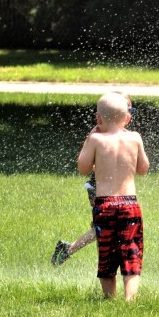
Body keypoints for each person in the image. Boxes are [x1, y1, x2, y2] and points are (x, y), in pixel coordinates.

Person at [77, 92, 150, 301]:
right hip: (130, 205)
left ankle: (109, 298)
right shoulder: (135, 138)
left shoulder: (96, 139)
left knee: (107, 252)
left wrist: (89, 140)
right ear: (127, 117)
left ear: (98, 119)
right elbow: (143, 169)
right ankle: (130, 300)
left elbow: (83, 168)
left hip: (105, 205)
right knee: (131, 251)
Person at [52, 93, 136, 266]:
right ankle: (72, 253)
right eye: (126, 109)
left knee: (104, 229)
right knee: (103, 229)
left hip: (113, 188)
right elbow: (86, 161)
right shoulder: (99, 131)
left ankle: (70, 250)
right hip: (99, 186)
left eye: (130, 110)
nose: (129, 113)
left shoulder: (125, 134)